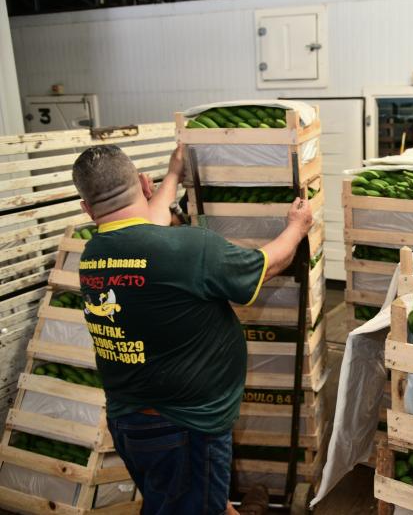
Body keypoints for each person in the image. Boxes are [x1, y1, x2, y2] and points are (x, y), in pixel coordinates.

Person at [72, 144, 312, 515]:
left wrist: (173, 176)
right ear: (142, 183)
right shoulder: (190, 248)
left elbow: (145, 230)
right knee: (189, 505)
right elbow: (267, 264)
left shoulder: (93, 255)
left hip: (130, 422)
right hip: (184, 428)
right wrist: (296, 228)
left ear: (87, 208)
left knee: (182, 499)